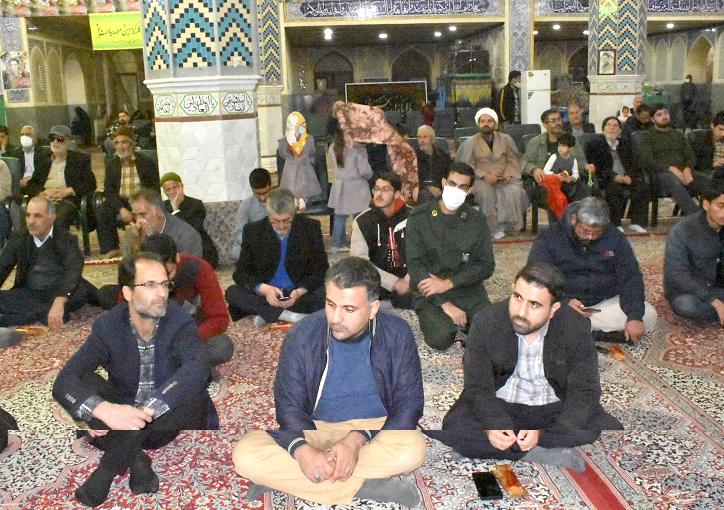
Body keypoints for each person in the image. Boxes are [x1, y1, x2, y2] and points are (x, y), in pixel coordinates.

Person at [232, 257, 426, 507]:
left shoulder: (397, 333)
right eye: (331, 304)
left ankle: (291, 477)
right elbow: (288, 407)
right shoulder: (302, 335)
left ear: (373, 309)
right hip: (315, 428)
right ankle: (366, 486)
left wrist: (357, 439)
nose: (335, 318)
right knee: (245, 454)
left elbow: (409, 404)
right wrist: (302, 450)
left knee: (413, 448)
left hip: (374, 428)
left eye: (349, 309)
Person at [52, 252, 217, 508]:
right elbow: (65, 380)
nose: (161, 293)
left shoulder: (179, 321)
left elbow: (196, 367)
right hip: (122, 409)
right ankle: (136, 458)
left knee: (194, 392)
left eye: (164, 284)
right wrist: (103, 409)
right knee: (85, 386)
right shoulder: (107, 326)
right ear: (127, 293)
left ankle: (107, 470)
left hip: (163, 419)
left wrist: (145, 411)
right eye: (150, 285)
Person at [426, 262, 622, 471]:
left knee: (594, 425)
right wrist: (494, 423)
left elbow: (585, 390)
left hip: (552, 407)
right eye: (518, 297)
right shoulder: (486, 321)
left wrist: (546, 431)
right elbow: (477, 386)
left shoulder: (575, 327)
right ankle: (537, 450)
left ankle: (500, 447)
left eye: (534, 305)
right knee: (456, 425)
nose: (521, 311)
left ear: (553, 309)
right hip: (502, 402)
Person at [528, 197, 657, 343]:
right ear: (573, 220)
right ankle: (589, 331)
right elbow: (537, 279)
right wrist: (564, 301)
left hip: (602, 305)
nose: (590, 237)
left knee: (648, 315)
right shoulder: (549, 239)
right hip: (564, 304)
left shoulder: (615, 237)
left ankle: (578, 329)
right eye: (585, 231)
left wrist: (634, 317)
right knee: (534, 312)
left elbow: (630, 276)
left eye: (597, 233)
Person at [406, 162, 495, 350]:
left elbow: (486, 265)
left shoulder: (476, 220)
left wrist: (449, 283)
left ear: (469, 191)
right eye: (452, 184)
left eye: (462, 187)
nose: (456, 190)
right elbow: (415, 266)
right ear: (443, 182)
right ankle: (450, 322)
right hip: (430, 292)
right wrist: (445, 304)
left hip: (467, 289)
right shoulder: (419, 217)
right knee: (441, 338)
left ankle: (469, 325)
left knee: (491, 332)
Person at [226, 188, 328, 327]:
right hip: (265, 295)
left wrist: (299, 291)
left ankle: (267, 312)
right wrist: (264, 289)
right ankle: (288, 315)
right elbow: (240, 273)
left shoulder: (310, 228)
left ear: (293, 212)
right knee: (232, 292)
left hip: (298, 293)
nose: (281, 226)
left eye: (286, 220)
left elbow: (321, 269)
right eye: (275, 221)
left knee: (329, 292)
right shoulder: (253, 231)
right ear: (268, 214)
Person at [0, 196, 92, 330]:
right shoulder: (19, 237)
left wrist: (59, 301)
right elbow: (3, 266)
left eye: (37, 216)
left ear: (52, 218)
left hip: (58, 293)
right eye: (28, 215)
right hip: (29, 293)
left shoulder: (66, 239)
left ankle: (21, 317)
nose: (31, 221)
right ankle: (37, 314)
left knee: (79, 293)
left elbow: (73, 270)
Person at [141, 234, 233, 366]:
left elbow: (219, 318)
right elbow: (124, 317)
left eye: (168, 274)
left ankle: (171, 364)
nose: (163, 282)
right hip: (154, 336)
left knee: (222, 346)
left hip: (191, 333)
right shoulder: (137, 273)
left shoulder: (199, 269)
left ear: (177, 258)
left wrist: (188, 337)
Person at [456, 108, 528, 239]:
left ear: (495, 123)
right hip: (481, 179)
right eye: (483, 121)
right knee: (487, 194)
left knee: (515, 191)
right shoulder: (470, 142)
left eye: (489, 121)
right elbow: (467, 164)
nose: (486, 124)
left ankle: (508, 225)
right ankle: (492, 227)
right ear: (478, 124)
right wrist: (484, 175)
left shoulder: (506, 139)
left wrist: (509, 174)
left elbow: (513, 159)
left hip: (505, 177)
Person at [664, 180, 724, 325]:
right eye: (721, 206)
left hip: (719, 288)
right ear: (706, 205)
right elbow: (677, 276)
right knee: (686, 306)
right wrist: (714, 301)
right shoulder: (682, 231)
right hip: (692, 292)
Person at [96, 126, 160, 258]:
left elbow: (154, 188)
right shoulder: (112, 164)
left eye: (124, 142)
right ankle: (111, 248)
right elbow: (109, 191)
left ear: (132, 144)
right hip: (121, 201)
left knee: (151, 210)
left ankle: (147, 245)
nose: (120, 146)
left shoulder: (146, 162)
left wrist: (142, 203)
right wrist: (121, 209)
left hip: (141, 200)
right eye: (117, 143)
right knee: (102, 210)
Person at [351, 173, 412, 309]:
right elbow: (359, 261)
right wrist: (394, 283)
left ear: (397, 194)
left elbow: (423, 253)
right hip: (377, 280)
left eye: (385, 189)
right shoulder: (363, 221)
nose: (379, 194)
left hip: (410, 278)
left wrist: (409, 281)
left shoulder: (414, 218)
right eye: (376, 189)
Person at [638, 106, 710, 216]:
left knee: (708, 181)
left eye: (665, 113)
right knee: (673, 181)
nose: (664, 116)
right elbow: (647, 160)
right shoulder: (647, 136)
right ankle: (697, 217)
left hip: (683, 172)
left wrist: (687, 169)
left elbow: (691, 156)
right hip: (660, 175)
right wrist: (671, 169)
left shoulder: (678, 135)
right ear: (652, 119)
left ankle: (713, 215)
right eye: (659, 115)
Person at [25, 125, 96, 230]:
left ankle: (60, 240)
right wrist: (42, 193)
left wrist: (68, 191)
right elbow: (31, 184)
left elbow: (91, 183)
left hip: (67, 200)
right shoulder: (42, 160)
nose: (55, 142)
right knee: (31, 218)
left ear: (68, 142)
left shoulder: (80, 159)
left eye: (60, 139)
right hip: (44, 199)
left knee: (57, 219)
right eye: (52, 139)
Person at [586, 116, 649, 232]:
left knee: (642, 186)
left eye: (615, 126)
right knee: (613, 189)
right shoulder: (595, 145)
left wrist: (629, 176)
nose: (612, 128)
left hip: (626, 177)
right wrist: (614, 177)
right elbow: (597, 166)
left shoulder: (625, 144)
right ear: (603, 129)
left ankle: (637, 222)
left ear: (620, 130)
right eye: (609, 125)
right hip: (607, 179)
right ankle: (615, 223)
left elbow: (634, 163)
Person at [524, 109, 592, 207]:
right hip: (548, 182)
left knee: (586, 189)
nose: (557, 123)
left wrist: (586, 166)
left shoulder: (571, 139)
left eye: (559, 119)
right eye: (553, 121)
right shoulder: (535, 142)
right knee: (557, 196)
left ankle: (582, 216)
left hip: (569, 180)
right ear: (545, 125)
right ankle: (563, 216)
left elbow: (579, 161)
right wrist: (534, 169)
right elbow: (525, 163)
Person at [327, 124, 374, 252]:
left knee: (339, 218)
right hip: (357, 188)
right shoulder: (358, 152)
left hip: (339, 187)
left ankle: (335, 245)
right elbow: (366, 172)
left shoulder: (333, 148)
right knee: (359, 217)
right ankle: (360, 242)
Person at [160, 172, 219, 268]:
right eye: (168, 190)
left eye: (174, 188)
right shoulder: (162, 208)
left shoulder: (196, 204)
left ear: (181, 187)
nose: (172, 192)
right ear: (164, 192)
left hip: (200, 249)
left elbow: (189, 231)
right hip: (174, 252)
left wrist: (175, 208)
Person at [129, 189, 202, 257]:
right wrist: (136, 245)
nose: (138, 221)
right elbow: (128, 265)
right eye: (135, 216)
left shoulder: (186, 236)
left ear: (158, 211)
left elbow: (189, 265)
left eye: (143, 214)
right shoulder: (134, 233)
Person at [279, 112, 323, 208]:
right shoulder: (309, 140)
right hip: (305, 168)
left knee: (290, 187)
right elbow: (312, 152)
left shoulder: (284, 141)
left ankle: (294, 200)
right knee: (307, 188)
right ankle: (303, 200)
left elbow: (282, 154)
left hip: (289, 169)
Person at [539, 132, 583, 219]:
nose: (560, 148)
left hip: (565, 182)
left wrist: (571, 178)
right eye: (559, 145)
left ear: (570, 148)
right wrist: (556, 175)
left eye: (564, 146)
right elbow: (545, 170)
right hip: (553, 181)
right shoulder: (554, 156)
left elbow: (576, 173)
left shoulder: (573, 159)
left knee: (577, 188)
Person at [231, 167, 272, 261]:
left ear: (271, 185)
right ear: (251, 188)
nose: (262, 198)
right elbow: (239, 233)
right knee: (236, 252)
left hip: (276, 242)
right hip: (254, 245)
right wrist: (254, 243)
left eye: (265, 192)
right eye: (258, 193)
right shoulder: (246, 205)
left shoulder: (280, 200)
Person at [414, 124, 451, 204]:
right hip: (421, 188)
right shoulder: (412, 156)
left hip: (441, 187)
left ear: (432, 138)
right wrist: (428, 187)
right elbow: (411, 178)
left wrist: (443, 188)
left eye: (425, 137)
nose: (422, 140)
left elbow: (449, 175)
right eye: (419, 137)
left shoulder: (443, 155)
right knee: (426, 196)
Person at [10, 125, 49, 190]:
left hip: (36, 184)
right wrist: (19, 181)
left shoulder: (43, 153)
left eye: (28, 134)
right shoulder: (15, 153)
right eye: (22, 135)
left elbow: (43, 172)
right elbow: (12, 173)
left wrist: (30, 180)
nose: (25, 137)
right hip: (19, 185)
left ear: (35, 137)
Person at [688, 110, 724, 178]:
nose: (723, 134)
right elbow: (693, 162)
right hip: (708, 172)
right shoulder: (700, 139)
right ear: (712, 126)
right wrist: (712, 164)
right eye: (720, 129)